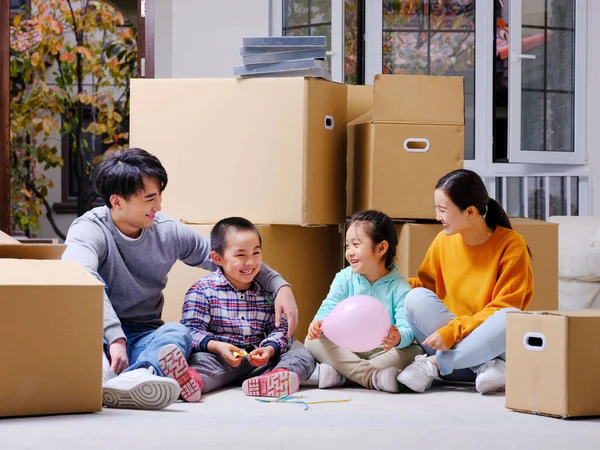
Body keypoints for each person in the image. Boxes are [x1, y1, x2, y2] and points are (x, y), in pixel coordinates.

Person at [62, 148, 299, 410]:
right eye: (150, 198)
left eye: (159, 195)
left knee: (179, 333)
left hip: (145, 334)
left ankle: (138, 377)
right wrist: (114, 336)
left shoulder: (167, 231)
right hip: (97, 333)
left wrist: (280, 286)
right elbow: (81, 276)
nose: (159, 206)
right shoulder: (90, 230)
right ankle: (113, 375)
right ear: (117, 202)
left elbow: (228, 258)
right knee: (82, 359)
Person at [397, 169, 533, 394]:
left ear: (470, 211)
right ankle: (485, 367)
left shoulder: (511, 245)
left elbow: (505, 306)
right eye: (436, 209)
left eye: (443, 210)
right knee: (414, 298)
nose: (438, 217)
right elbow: (425, 286)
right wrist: (386, 282)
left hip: (487, 346)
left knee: (509, 317)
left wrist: (454, 331)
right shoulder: (443, 241)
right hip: (460, 349)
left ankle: (435, 366)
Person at [183, 217, 316, 397]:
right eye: (241, 255)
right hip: (219, 359)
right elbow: (191, 331)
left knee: (303, 355)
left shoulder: (267, 292)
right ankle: (191, 381)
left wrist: (269, 349)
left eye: (256, 253)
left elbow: (281, 329)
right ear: (217, 258)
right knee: (199, 361)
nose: (251, 262)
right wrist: (217, 346)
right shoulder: (202, 290)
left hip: (259, 362)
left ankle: (275, 378)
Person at [304, 210, 423, 393]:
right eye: (347, 246)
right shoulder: (344, 278)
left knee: (415, 352)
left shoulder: (400, 287)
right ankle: (371, 377)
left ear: (381, 248)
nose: (349, 252)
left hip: (382, 351)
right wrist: (318, 322)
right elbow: (329, 306)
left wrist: (398, 337)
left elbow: (407, 328)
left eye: (356, 245)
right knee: (312, 340)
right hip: (347, 347)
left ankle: (343, 375)